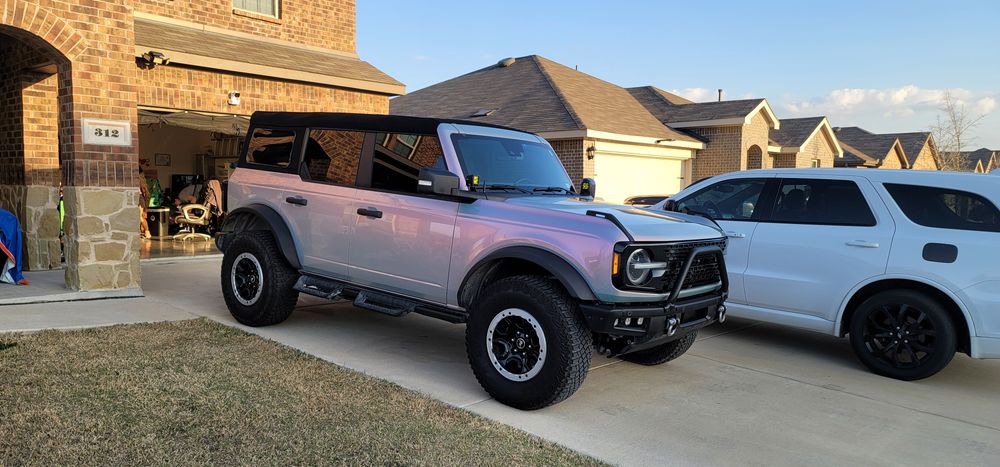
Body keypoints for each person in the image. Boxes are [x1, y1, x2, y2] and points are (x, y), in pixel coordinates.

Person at [138, 167, 151, 239]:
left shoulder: (139, 181)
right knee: (140, 217)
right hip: (139, 198)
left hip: (139, 199)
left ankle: (147, 231)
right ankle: (143, 231)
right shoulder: (141, 180)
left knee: (140, 217)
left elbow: (144, 194)